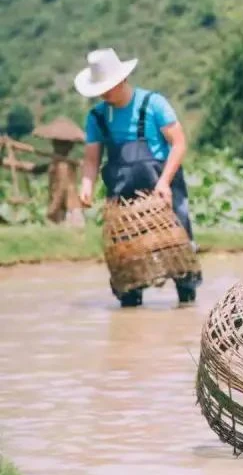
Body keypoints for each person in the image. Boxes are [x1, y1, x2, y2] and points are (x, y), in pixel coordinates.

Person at [75, 48, 201, 307]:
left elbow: (178, 144)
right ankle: (130, 305)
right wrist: (86, 184)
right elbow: (91, 158)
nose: (105, 93)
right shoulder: (97, 117)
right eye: (101, 89)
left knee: (179, 249)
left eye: (108, 86)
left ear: (122, 79)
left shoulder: (154, 103)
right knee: (125, 258)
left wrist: (164, 182)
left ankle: (186, 301)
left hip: (162, 185)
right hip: (123, 192)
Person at [30, 116, 86, 227]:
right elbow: (36, 169)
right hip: (65, 209)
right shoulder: (56, 163)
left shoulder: (63, 166)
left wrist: (51, 211)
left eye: (59, 143)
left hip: (69, 209)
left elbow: (61, 189)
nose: (55, 145)